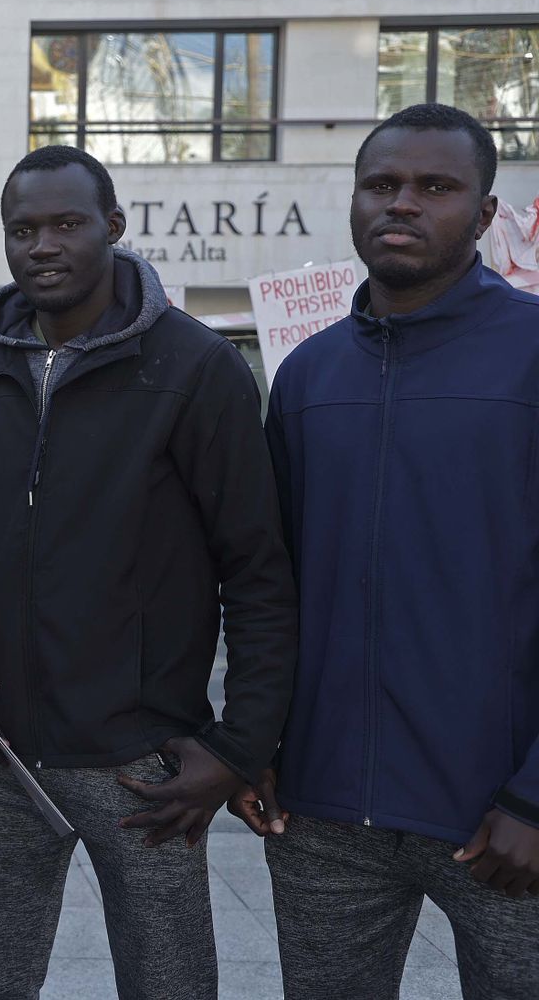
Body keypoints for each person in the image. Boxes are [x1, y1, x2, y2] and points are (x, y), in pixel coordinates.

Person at [0, 145, 298, 1000]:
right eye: (23, 229)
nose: (43, 245)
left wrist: (238, 746)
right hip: (0, 753)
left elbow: (256, 570)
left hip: (143, 760)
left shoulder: (197, 366)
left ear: (115, 227)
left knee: (170, 985)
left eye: (66, 223)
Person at [231, 103, 539, 998]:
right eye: (381, 184)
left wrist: (535, 795)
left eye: (435, 186)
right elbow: (270, 583)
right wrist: (257, 738)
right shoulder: (308, 374)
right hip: (324, 813)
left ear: (485, 214)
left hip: (499, 813)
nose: (401, 203)